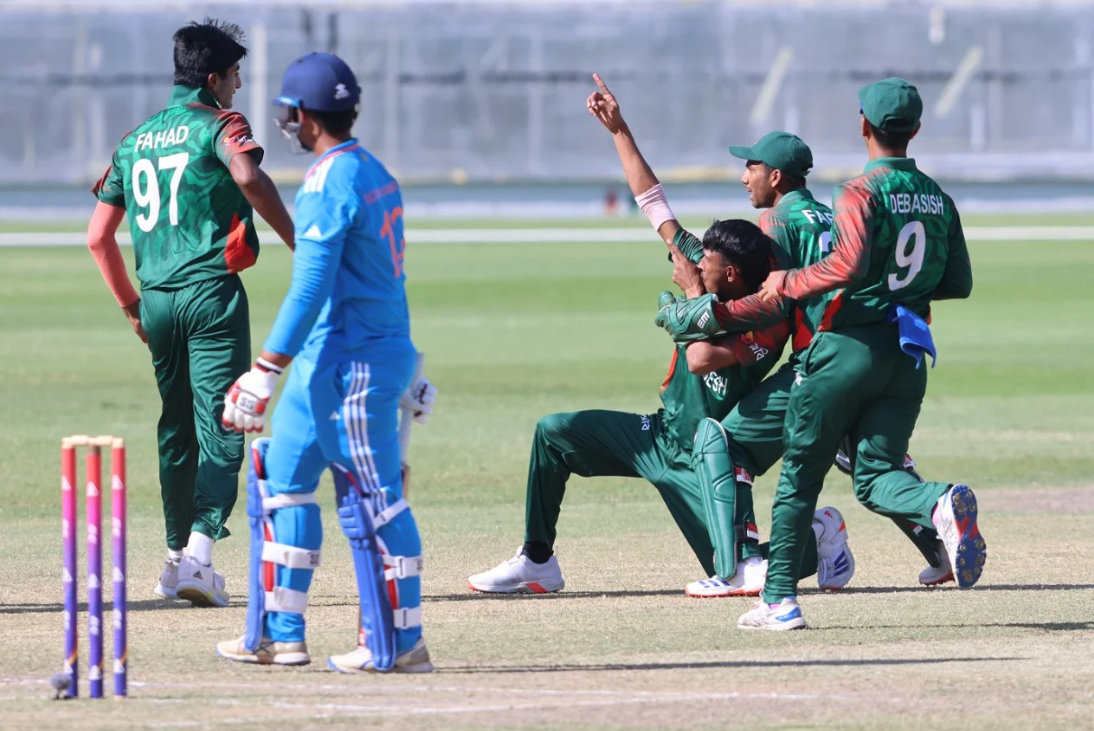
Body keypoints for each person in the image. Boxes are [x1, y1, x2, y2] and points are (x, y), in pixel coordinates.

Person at [467, 77, 839, 597]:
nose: (691, 260)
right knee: (553, 433)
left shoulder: (766, 321)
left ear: (729, 274)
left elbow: (702, 359)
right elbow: (654, 206)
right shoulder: (711, 269)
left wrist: (687, 302)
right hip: (658, 433)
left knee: (739, 567)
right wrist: (619, 130)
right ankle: (537, 560)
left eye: (704, 258)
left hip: (699, 461)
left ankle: (819, 538)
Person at [653, 129, 953, 593]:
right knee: (869, 463)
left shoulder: (777, 223)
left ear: (774, 177)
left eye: (750, 167)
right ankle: (939, 543)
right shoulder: (828, 212)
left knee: (728, 444)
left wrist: (701, 311)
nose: (743, 176)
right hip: (876, 346)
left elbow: (765, 295)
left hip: (821, 357)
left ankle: (740, 568)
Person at [214, 52, 435, 672]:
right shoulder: (375, 172)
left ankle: (402, 640)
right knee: (279, 486)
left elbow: (310, 287)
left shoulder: (329, 179)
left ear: (304, 116)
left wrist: (263, 371)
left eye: (290, 112)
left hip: (356, 366)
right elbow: (386, 277)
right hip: (328, 361)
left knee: (377, 502)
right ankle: (281, 635)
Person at [736, 77, 980, 630]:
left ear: (864, 125)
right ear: (915, 129)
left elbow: (844, 268)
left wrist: (789, 282)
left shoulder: (859, 192)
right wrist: (903, 290)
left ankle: (778, 601)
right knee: (875, 476)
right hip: (909, 351)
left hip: (847, 348)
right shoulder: (939, 196)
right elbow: (959, 281)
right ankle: (940, 503)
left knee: (801, 474)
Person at [86, 19, 295, 607]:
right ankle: (201, 558)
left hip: (155, 301)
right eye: (233, 77)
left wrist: (131, 306)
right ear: (212, 78)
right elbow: (248, 174)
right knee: (228, 422)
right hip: (210, 295)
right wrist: (301, 242)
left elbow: (99, 238)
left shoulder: (135, 139)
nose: (237, 88)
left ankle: (177, 559)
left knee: (176, 427)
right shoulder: (220, 124)